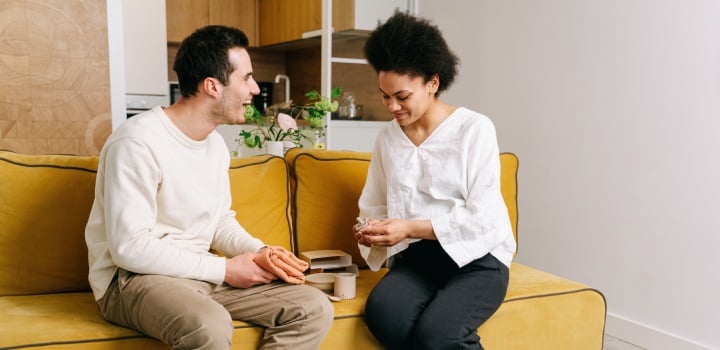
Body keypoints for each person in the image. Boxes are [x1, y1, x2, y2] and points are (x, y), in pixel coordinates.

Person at [85, 25, 333, 350]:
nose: (255, 89)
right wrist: (225, 269)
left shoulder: (214, 145)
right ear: (212, 86)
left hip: (201, 271)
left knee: (313, 307)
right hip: (133, 279)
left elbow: (218, 221)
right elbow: (130, 248)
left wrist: (260, 252)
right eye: (246, 78)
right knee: (208, 326)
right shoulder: (137, 142)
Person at [353, 11, 517, 350]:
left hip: (480, 260)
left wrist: (409, 228)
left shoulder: (474, 129)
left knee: (438, 335)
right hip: (419, 261)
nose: (392, 107)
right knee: (384, 314)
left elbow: (484, 217)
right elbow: (376, 203)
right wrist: (373, 230)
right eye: (385, 96)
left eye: (402, 96)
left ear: (433, 83)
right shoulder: (387, 139)